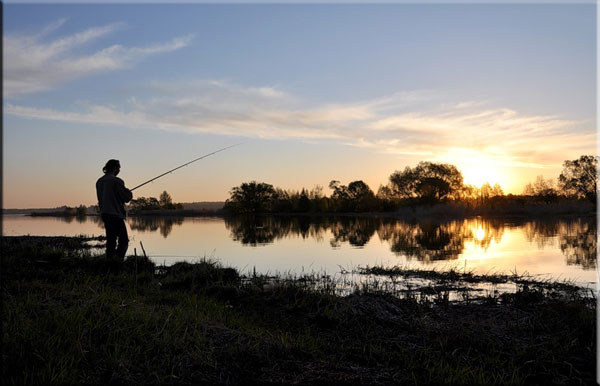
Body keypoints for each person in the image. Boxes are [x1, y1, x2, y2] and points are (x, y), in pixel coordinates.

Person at [96, 159, 133, 259]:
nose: (119, 170)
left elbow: (100, 199)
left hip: (104, 214)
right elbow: (126, 198)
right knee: (124, 240)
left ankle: (110, 260)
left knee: (111, 240)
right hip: (115, 215)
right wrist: (129, 192)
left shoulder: (99, 182)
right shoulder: (117, 181)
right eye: (119, 167)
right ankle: (118, 260)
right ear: (115, 168)